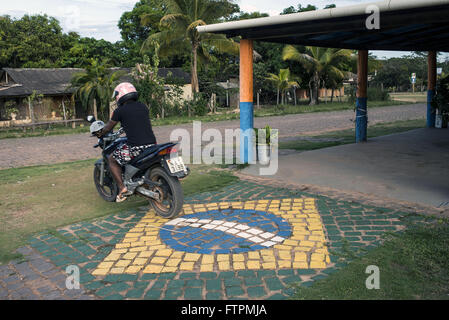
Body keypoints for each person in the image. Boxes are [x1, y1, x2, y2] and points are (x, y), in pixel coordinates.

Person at [99, 82, 157, 203]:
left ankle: (122, 188)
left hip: (135, 147)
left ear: (120, 95)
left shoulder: (120, 111)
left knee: (112, 159)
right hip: (152, 144)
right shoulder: (143, 106)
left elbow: (109, 127)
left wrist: (101, 133)